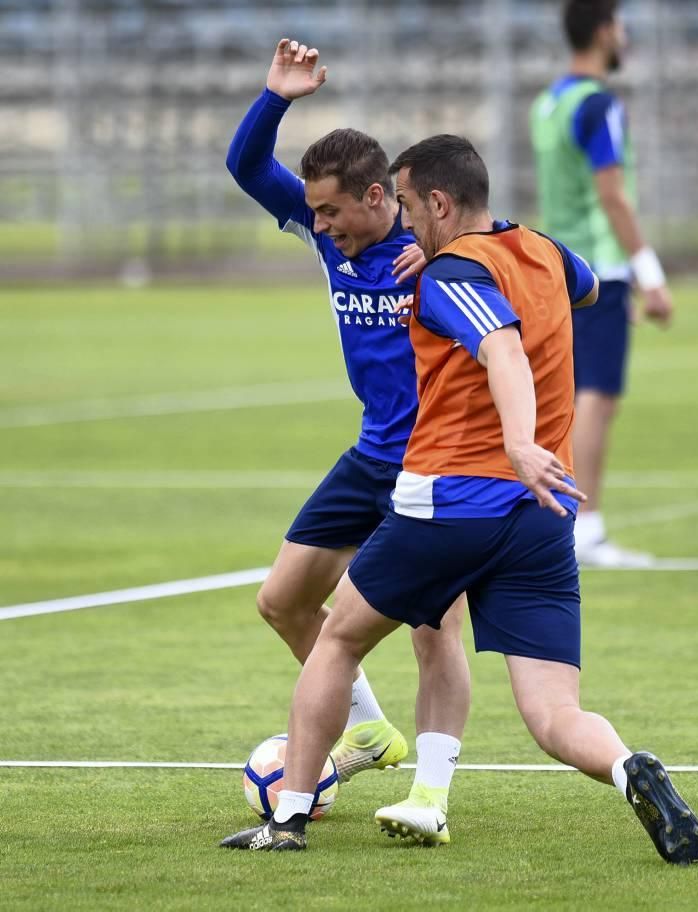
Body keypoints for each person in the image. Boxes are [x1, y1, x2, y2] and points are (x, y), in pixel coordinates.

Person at [220, 135, 698, 866]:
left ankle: (287, 816)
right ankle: (630, 769)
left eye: (412, 207)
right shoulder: (540, 249)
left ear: (440, 204)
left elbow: (501, 347)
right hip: (543, 512)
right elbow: (589, 289)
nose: (407, 225)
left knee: (339, 640)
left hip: (447, 500)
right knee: (552, 713)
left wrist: (516, 436)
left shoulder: (448, 276)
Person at [225, 39, 470, 802]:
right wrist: (276, 99)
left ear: (376, 196)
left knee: (435, 634)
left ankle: (431, 796)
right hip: (370, 456)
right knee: (283, 601)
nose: (318, 224)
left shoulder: (434, 242)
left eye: (331, 209)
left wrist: (446, 258)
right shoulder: (328, 232)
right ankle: (370, 730)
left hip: (437, 461)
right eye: (314, 210)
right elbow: (244, 167)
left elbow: (511, 263)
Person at [531, 0, 673, 567]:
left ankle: (563, 520)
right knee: (597, 395)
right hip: (600, 267)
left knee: (570, 390)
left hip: (560, 266)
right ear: (603, 31)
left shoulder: (548, 103)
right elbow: (611, 194)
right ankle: (584, 526)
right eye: (620, 25)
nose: (625, 35)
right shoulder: (598, 104)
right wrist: (650, 275)